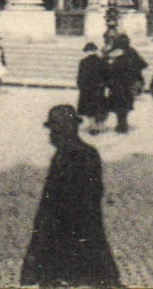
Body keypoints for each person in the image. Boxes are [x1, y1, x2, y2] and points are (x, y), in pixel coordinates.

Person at [21, 105, 122, 288]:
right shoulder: (89, 153)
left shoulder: (65, 156)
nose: (51, 135)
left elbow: (53, 199)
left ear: (63, 130)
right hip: (86, 227)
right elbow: (95, 192)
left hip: (63, 230)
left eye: (53, 130)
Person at [105, 35, 147, 134]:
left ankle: (121, 123)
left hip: (115, 84)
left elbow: (104, 66)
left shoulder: (112, 53)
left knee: (118, 104)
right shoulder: (131, 52)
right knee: (125, 104)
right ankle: (123, 123)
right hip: (127, 84)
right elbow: (142, 65)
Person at [76, 43, 109, 134]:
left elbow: (80, 77)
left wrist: (81, 86)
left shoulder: (83, 62)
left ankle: (93, 125)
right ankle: (100, 124)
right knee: (99, 106)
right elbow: (107, 75)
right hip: (99, 88)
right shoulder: (102, 61)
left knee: (88, 108)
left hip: (87, 89)